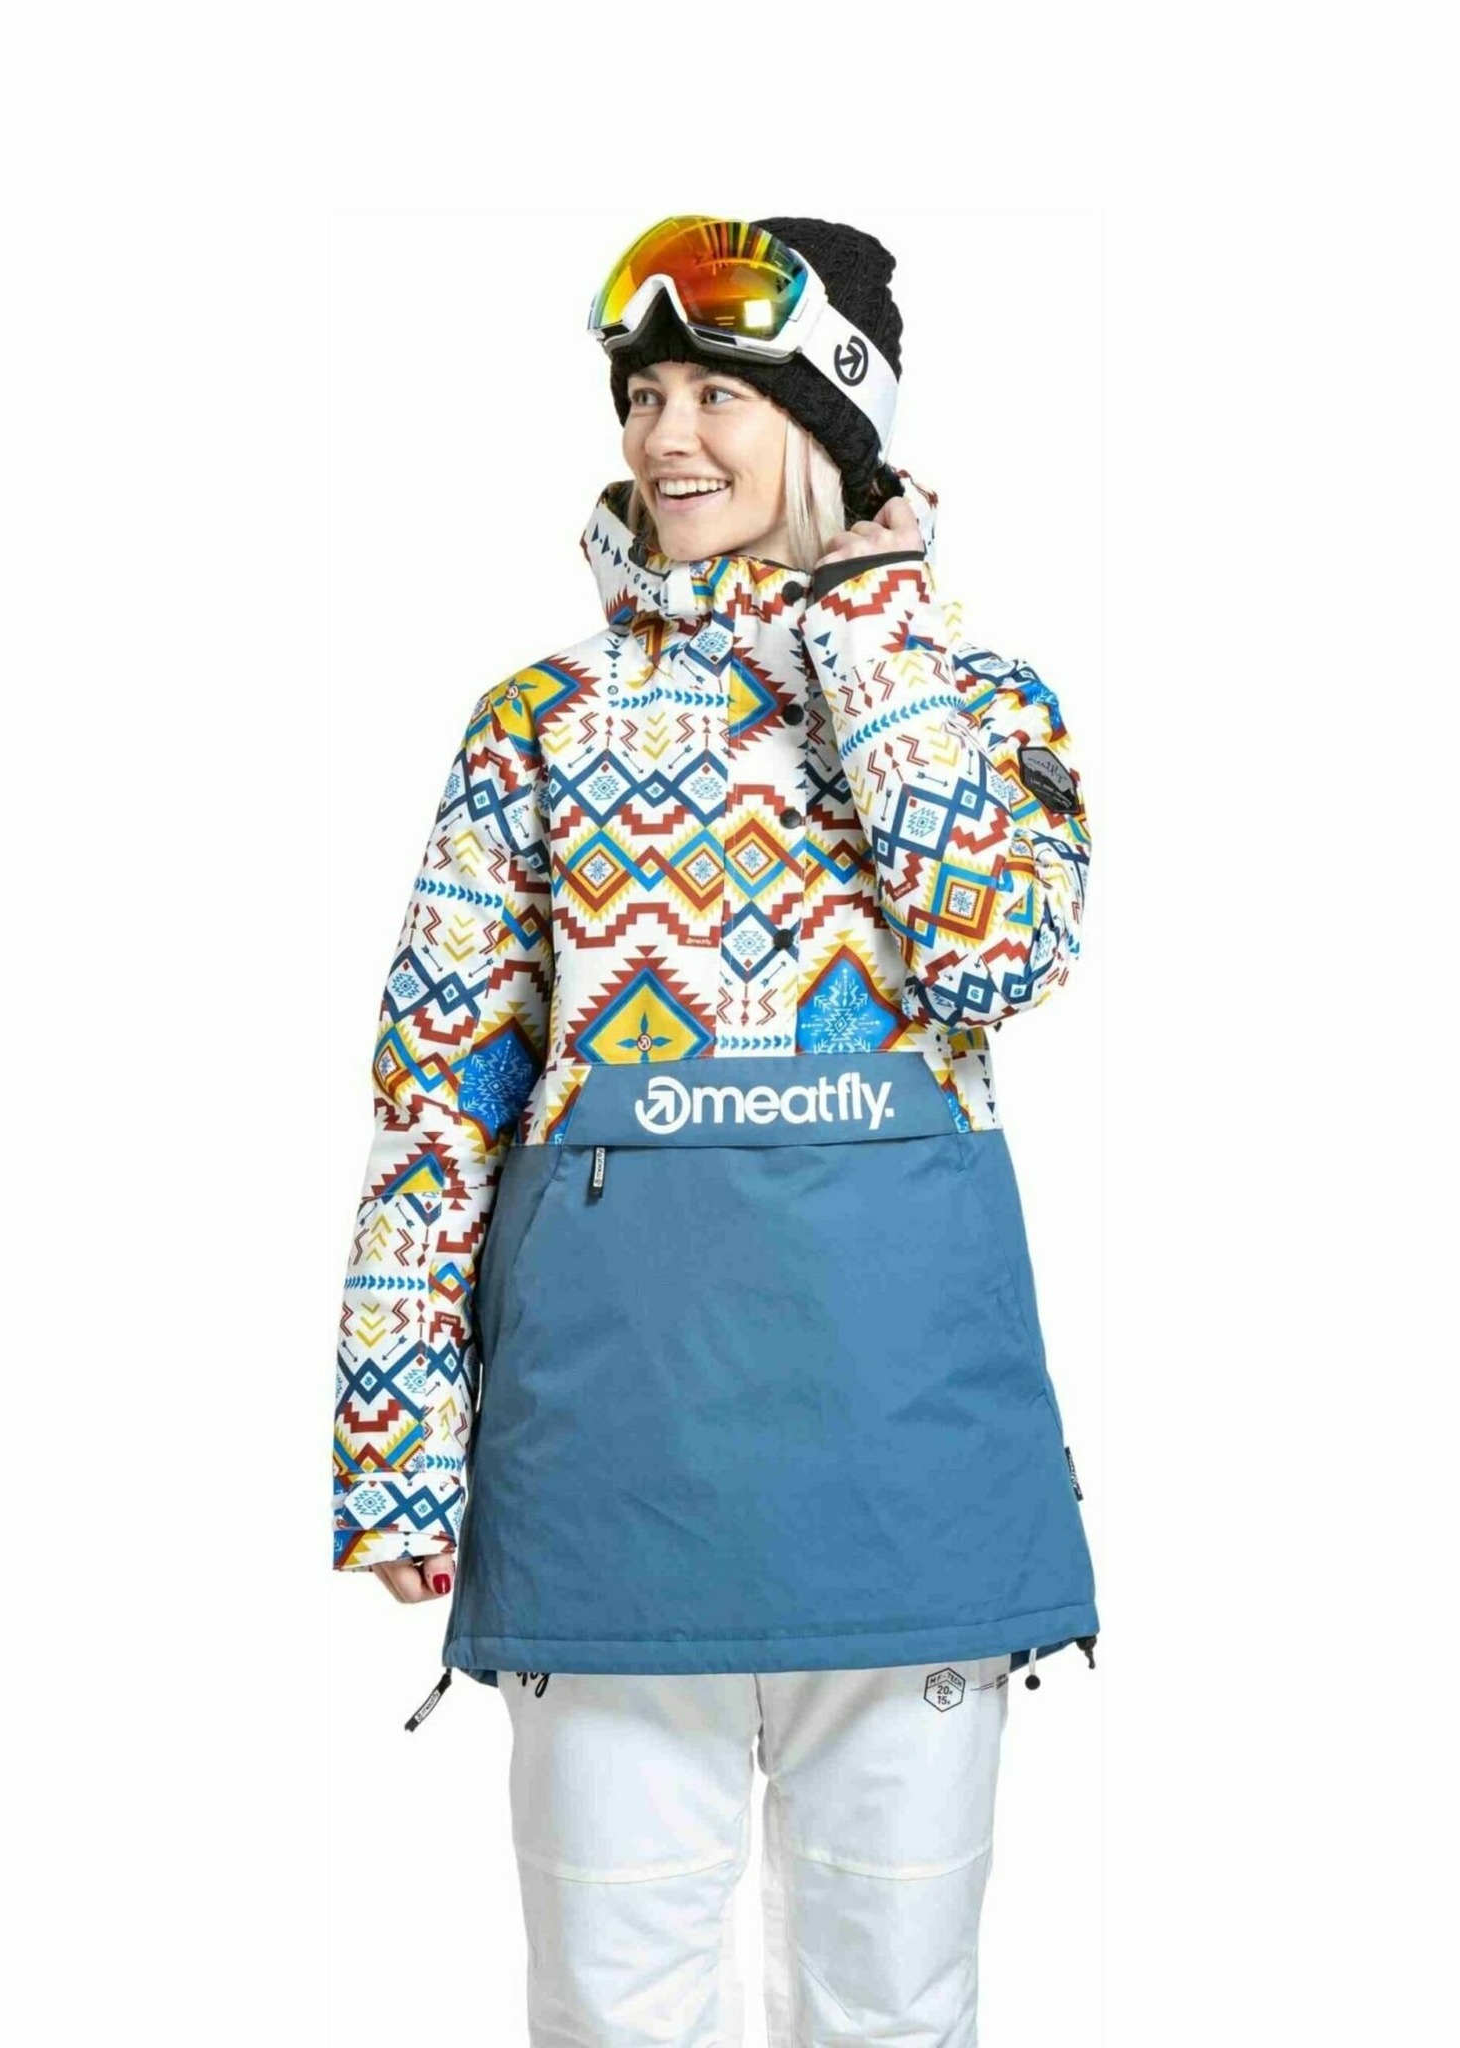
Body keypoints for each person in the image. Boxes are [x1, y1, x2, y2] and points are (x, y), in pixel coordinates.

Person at [332, 215, 1099, 2045]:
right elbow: (438, 1099)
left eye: (718, 395)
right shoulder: (540, 725)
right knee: (614, 2014)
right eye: (643, 394)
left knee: (897, 2009)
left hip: (907, 1479)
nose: (664, 437)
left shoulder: (980, 701)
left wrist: (871, 631)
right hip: (613, 1476)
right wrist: (396, 1442)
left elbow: (995, 955)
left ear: (829, 418)